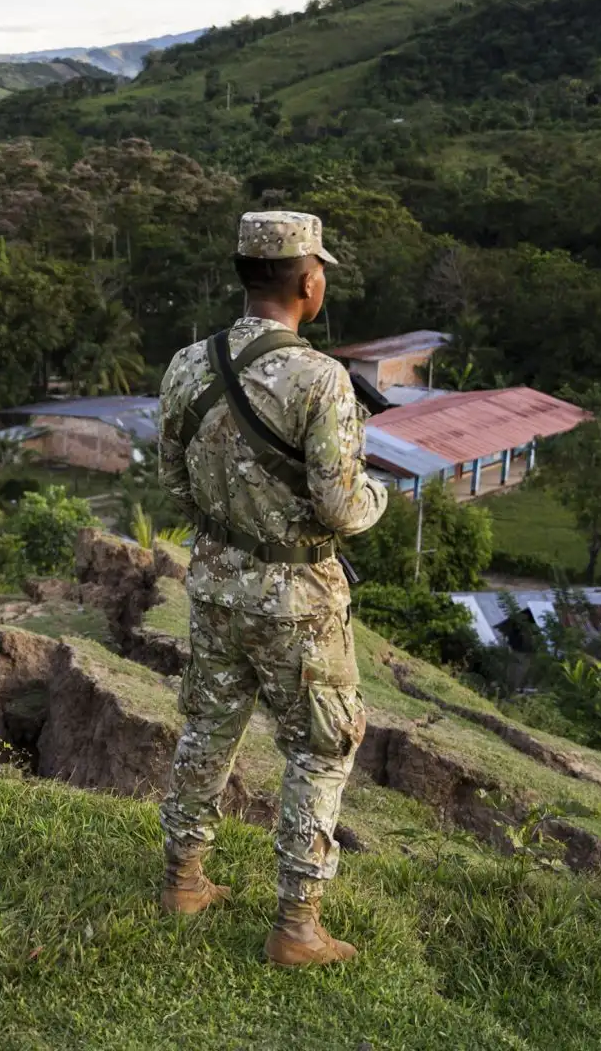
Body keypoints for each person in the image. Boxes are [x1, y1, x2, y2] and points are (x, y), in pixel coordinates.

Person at [155, 211, 388, 967]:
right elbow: (344, 511)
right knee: (322, 747)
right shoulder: (321, 379)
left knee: (207, 731)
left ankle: (184, 881)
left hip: (217, 583)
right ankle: (297, 926)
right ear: (307, 280)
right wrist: (381, 494)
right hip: (297, 600)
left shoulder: (188, 363)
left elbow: (173, 483)